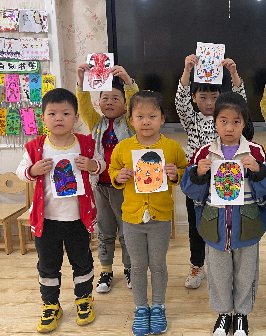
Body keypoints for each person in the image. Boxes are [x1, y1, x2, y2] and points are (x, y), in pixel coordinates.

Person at [180, 92, 266, 336]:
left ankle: (242, 314)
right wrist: (198, 174)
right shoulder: (204, 153)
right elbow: (191, 191)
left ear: (244, 123)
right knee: (218, 274)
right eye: (223, 121)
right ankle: (223, 313)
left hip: (247, 224)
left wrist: (258, 171)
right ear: (215, 122)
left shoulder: (256, 152)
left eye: (236, 121)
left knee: (246, 273)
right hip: (215, 226)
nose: (229, 127)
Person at [16, 88, 105, 333]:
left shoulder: (86, 144)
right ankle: (50, 305)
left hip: (78, 219)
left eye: (65, 113)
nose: (59, 118)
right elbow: (20, 171)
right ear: (43, 118)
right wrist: (33, 171)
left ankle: (84, 299)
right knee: (48, 265)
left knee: (82, 261)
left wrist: (92, 165)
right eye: (52, 113)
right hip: (47, 220)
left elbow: (101, 165)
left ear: (75, 117)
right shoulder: (36, 147)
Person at [108, 91, 188, 336]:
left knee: (158, 264)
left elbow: (184, 171)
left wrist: (175, 174)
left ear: (162, 119)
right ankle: (141, 308)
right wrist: (119, 176)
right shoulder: (123, 148)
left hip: (160, 217)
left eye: (152, 116)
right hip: (132, 218)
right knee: (138, 265)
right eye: (140, 116)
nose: (146, 122)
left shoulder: (172, 147)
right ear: (131, 120)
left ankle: (159, 306)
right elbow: (113, 171)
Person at [175, 54, 247, 289]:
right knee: (196, 226)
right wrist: (187, 71)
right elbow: (180, 103)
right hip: (198, 180)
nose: (209, 103)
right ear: (194, 98)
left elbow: (240, 102)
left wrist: (233, 74)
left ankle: (227, 265)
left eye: (214, 97)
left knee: (223, 222)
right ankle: (197, 265)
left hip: (225, 178)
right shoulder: (192, 120)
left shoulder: (224, 120)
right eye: (202, 97)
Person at [76, 63, 139, 293]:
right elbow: (83, 106)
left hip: (124, 186)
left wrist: (128, 81)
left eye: (115, 98)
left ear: (125, 105)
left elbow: (136, 103)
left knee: (127, 231)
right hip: (100, 185)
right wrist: (81, 81)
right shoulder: (96, 123)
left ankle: (130, 269)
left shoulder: (131, 123)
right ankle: (106, 271)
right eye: (105, 98)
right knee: (104, 231)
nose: (109, 102)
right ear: (99, 102)